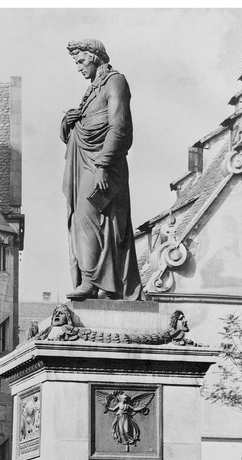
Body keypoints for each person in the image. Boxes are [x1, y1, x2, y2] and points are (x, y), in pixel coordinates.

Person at [61, 38, 143, 300]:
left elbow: (120, 127)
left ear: (95, 56)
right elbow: (81, 129)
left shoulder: (115, 81)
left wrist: (103, 165)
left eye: (81, 61)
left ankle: (93, 281)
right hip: (84, 162)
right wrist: (68, 121)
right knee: (81, 219)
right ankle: (97, 282)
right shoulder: (92, 90)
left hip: (102, 165)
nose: (79, 67)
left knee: (91, 219)